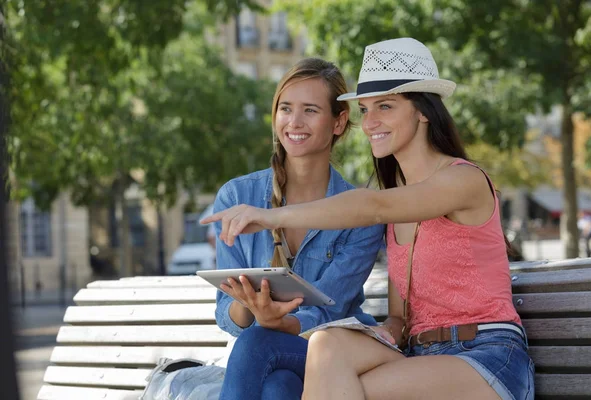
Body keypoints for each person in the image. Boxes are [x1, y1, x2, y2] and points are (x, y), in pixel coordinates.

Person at [204, 38, 535, 400]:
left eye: (386, 106)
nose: (371, 122)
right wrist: (384, 332)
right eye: (365, 109)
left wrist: (270, 216)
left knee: (333, 387)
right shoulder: (398, 209)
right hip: (416, 355)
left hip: (485, 354)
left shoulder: (463, 180)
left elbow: (372, 206)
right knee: (323, 348)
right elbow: (399, 319)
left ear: (423, 110)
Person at [210, 58, 384, 400]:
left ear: (339, 122)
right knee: (279, 388)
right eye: (286, 108)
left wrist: (277, 322)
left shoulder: (359, 211)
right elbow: (225, 313)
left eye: (310, 110)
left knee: (257, 342)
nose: (294, 122)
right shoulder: (236, 196)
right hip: (272, 363)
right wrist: (248, 303)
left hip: (328, 350)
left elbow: (329, 309)